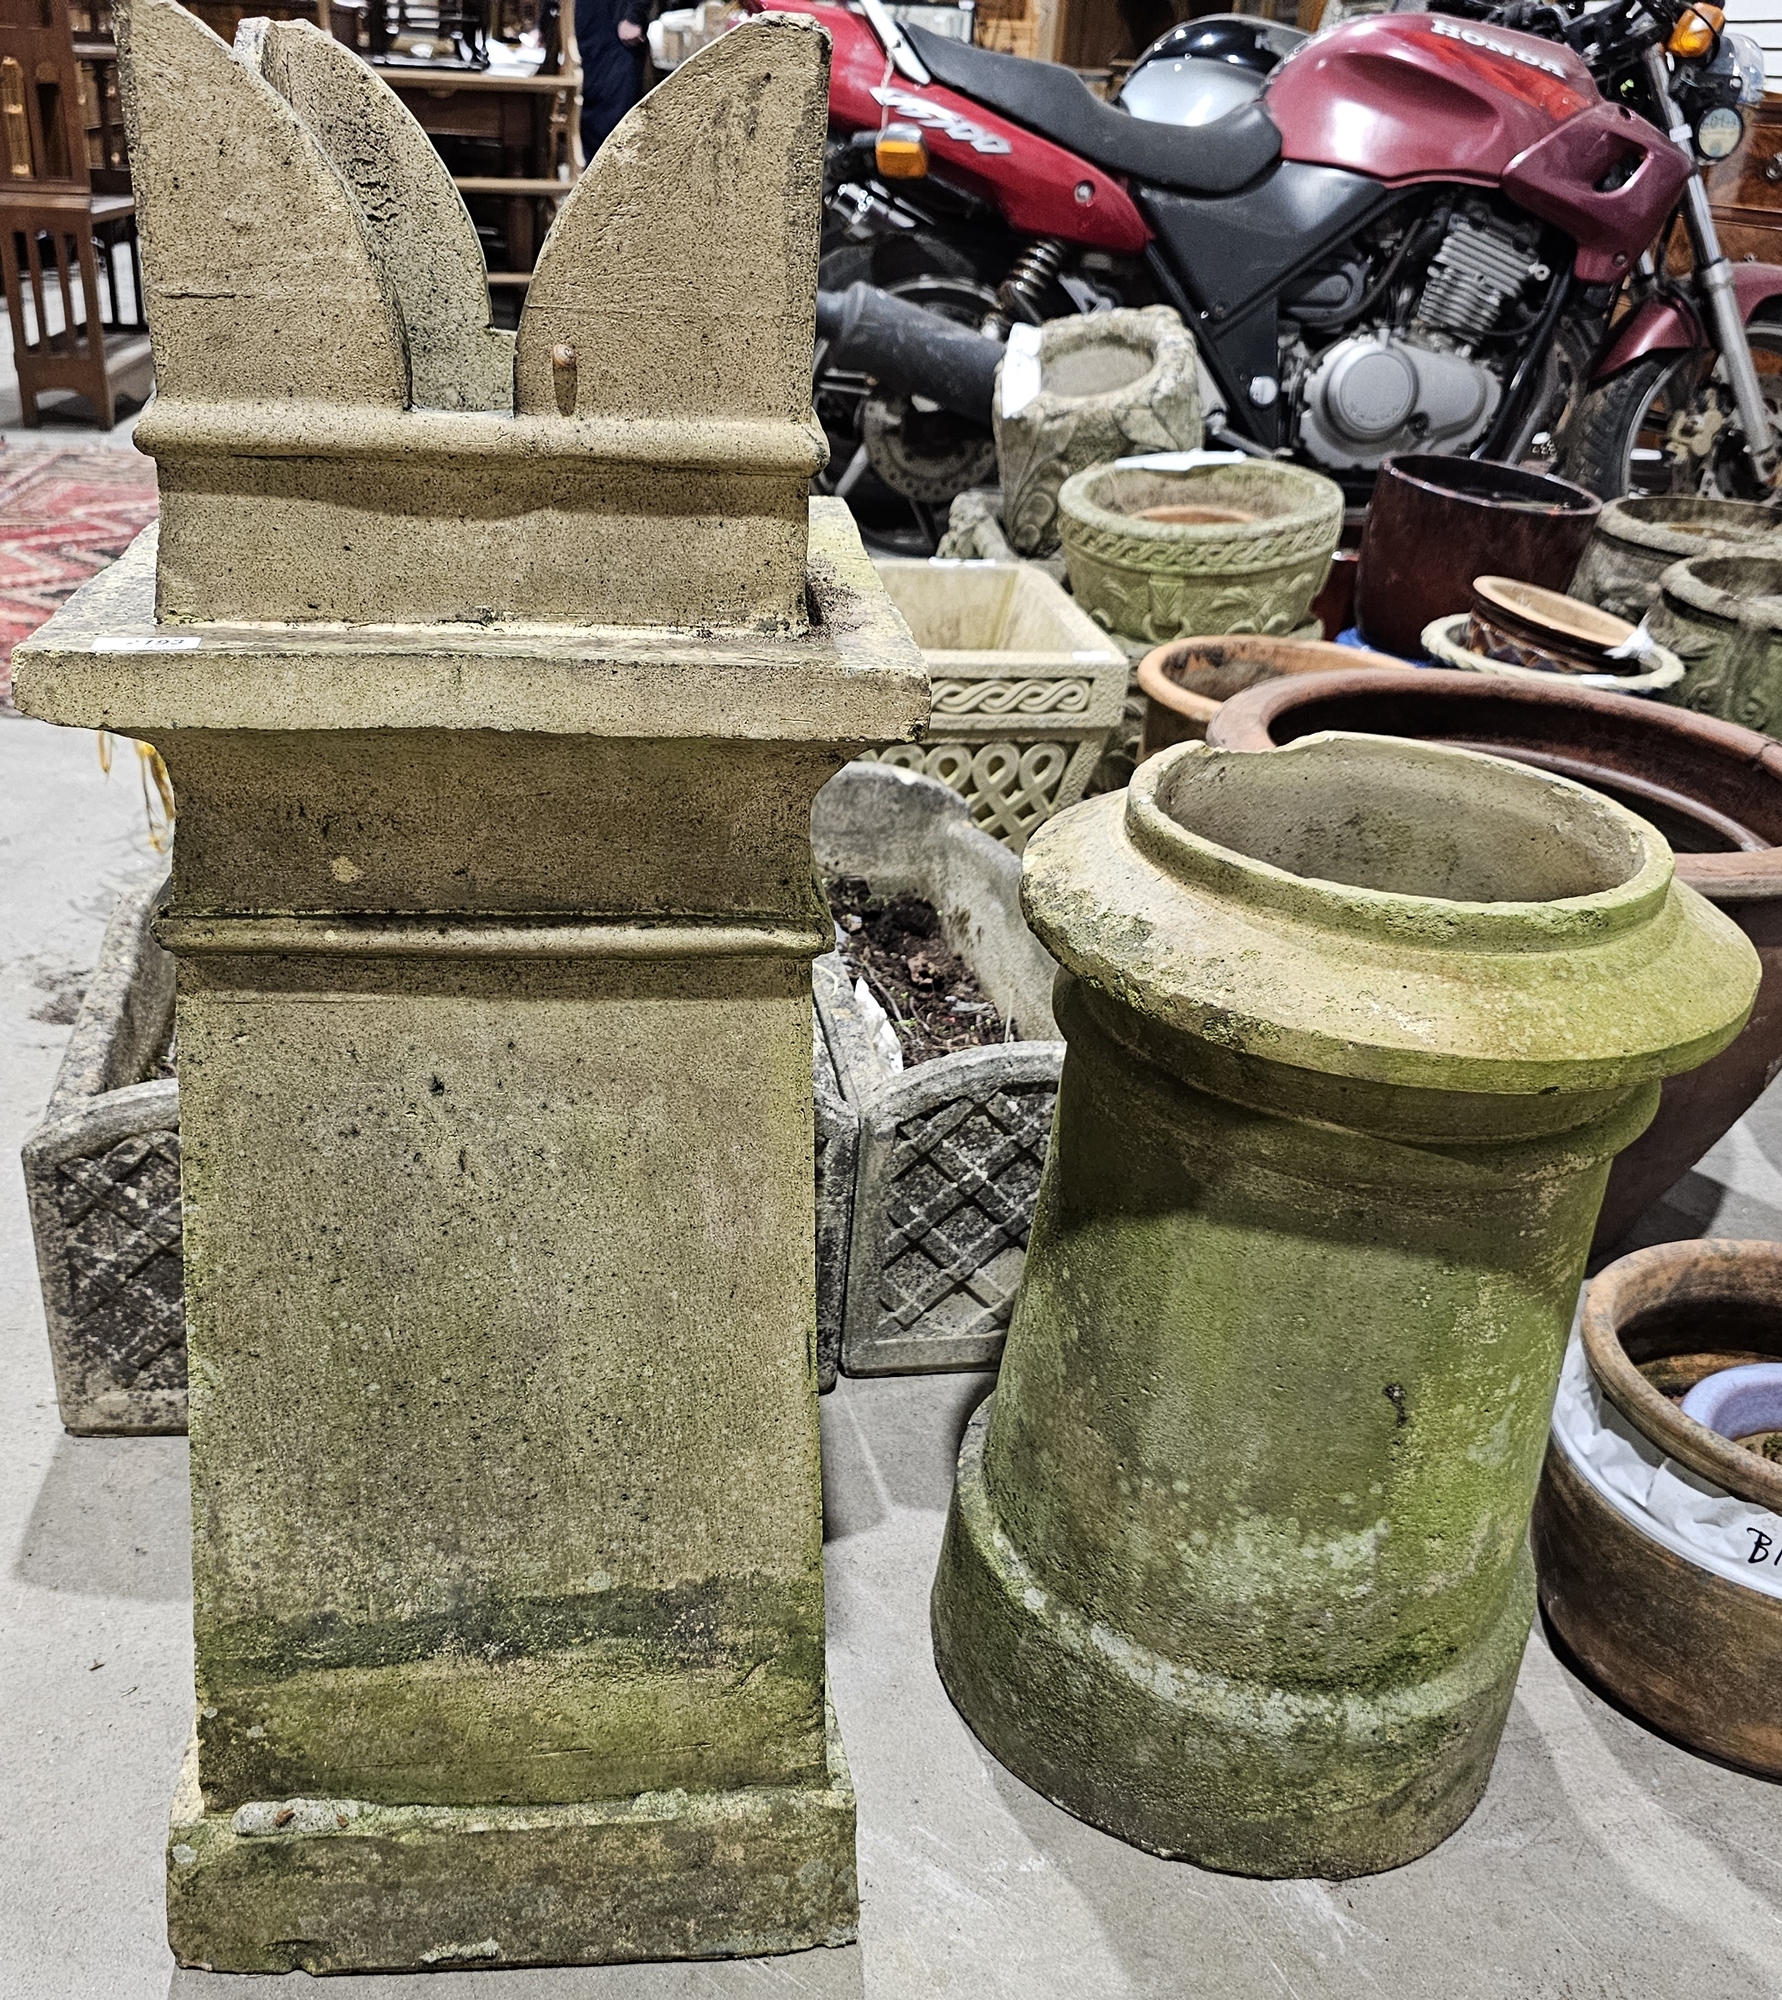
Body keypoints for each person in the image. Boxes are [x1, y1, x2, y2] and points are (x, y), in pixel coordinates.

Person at [576, 0, 653, 161]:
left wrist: (634, 15)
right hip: (587, 31)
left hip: (616, 31)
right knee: (588, 121)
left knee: (613, 126)